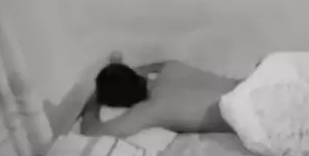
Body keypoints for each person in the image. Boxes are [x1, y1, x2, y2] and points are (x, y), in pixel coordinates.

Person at [80, 56, 242, 137]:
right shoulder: (171, 68)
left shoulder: (150, 110)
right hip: (250, 85)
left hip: (245, 113)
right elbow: (156, 66)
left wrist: (93, 99)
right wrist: (128, 70)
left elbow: (91, 131)